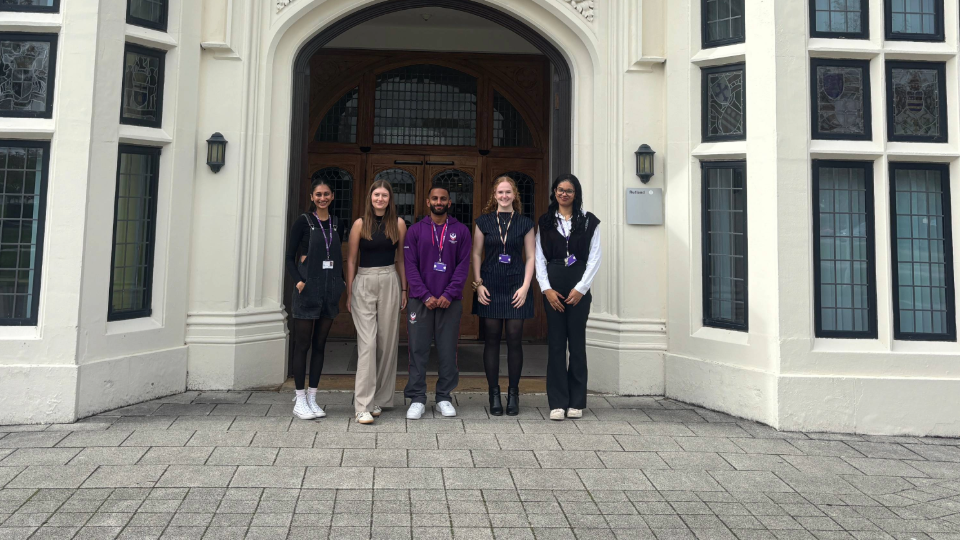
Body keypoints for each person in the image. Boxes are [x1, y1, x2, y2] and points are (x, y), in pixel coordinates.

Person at [535, 174, 601, 421]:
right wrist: (546, 289)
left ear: (576, 194)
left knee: (577, 345)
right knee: (555, 345)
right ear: (554, 192)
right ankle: (557, 402)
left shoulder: (588, 222)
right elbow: (539, 257)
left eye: (569, 190)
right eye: (560, 190)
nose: (564, 194)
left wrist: (581, 288)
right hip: (552, 290)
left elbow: (594, 258)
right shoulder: (544, 222)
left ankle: (576, 401)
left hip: (578, 292)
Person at [403, 185, 472, 419]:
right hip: (420, 301)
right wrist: (425, 295)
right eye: (435, 198)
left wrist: (448, 294)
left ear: (449, 203)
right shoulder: (415, 231)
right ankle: (417, 398)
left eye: (443, 198)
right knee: (418, 350)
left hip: (449, 302)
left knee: (447, 350)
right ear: (427, 201)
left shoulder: (461, 231)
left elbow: (464, 266)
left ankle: (444, 396)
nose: (439, 202)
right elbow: (409, 266)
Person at [471, 176, 535, 416]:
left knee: (515, 339)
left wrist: (526, 286)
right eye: (500, 192)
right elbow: (476, 254)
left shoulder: (525, 223)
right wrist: (478, 285)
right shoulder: (483, 222)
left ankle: (514, 394)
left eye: (508, 192)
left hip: (517, 286)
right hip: (490, 285)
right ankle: (494, 394)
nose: (504, 196)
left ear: (514, 195)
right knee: (492, 340)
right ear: (494, 195)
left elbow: (530, 256)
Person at [345, 180, 407, 425]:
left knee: (386, 343)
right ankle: (362, 405)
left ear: (390, 199)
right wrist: (349, 292)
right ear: (370, 197)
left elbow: (401, 258)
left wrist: (404, 288)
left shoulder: (399, 224)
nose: (380, 199)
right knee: (368, 344)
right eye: (376, 195)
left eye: (384, 195)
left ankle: (379, 398)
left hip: (390, 279)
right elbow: (350, 260)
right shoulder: (360, 224)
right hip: (364, 280)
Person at [284, 176, 346, 420]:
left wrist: (340, 281)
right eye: (318, 194)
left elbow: (337, 254)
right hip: (307, 291)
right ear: (312, 197)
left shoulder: (337, 223)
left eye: (326, 194)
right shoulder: (303, 222)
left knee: (320, 346)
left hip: (329, 292)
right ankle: (299, 398)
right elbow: (290, 256)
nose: (323, 198)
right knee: (303, 345)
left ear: (332, 197)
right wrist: (299, 281)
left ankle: (312, 397)